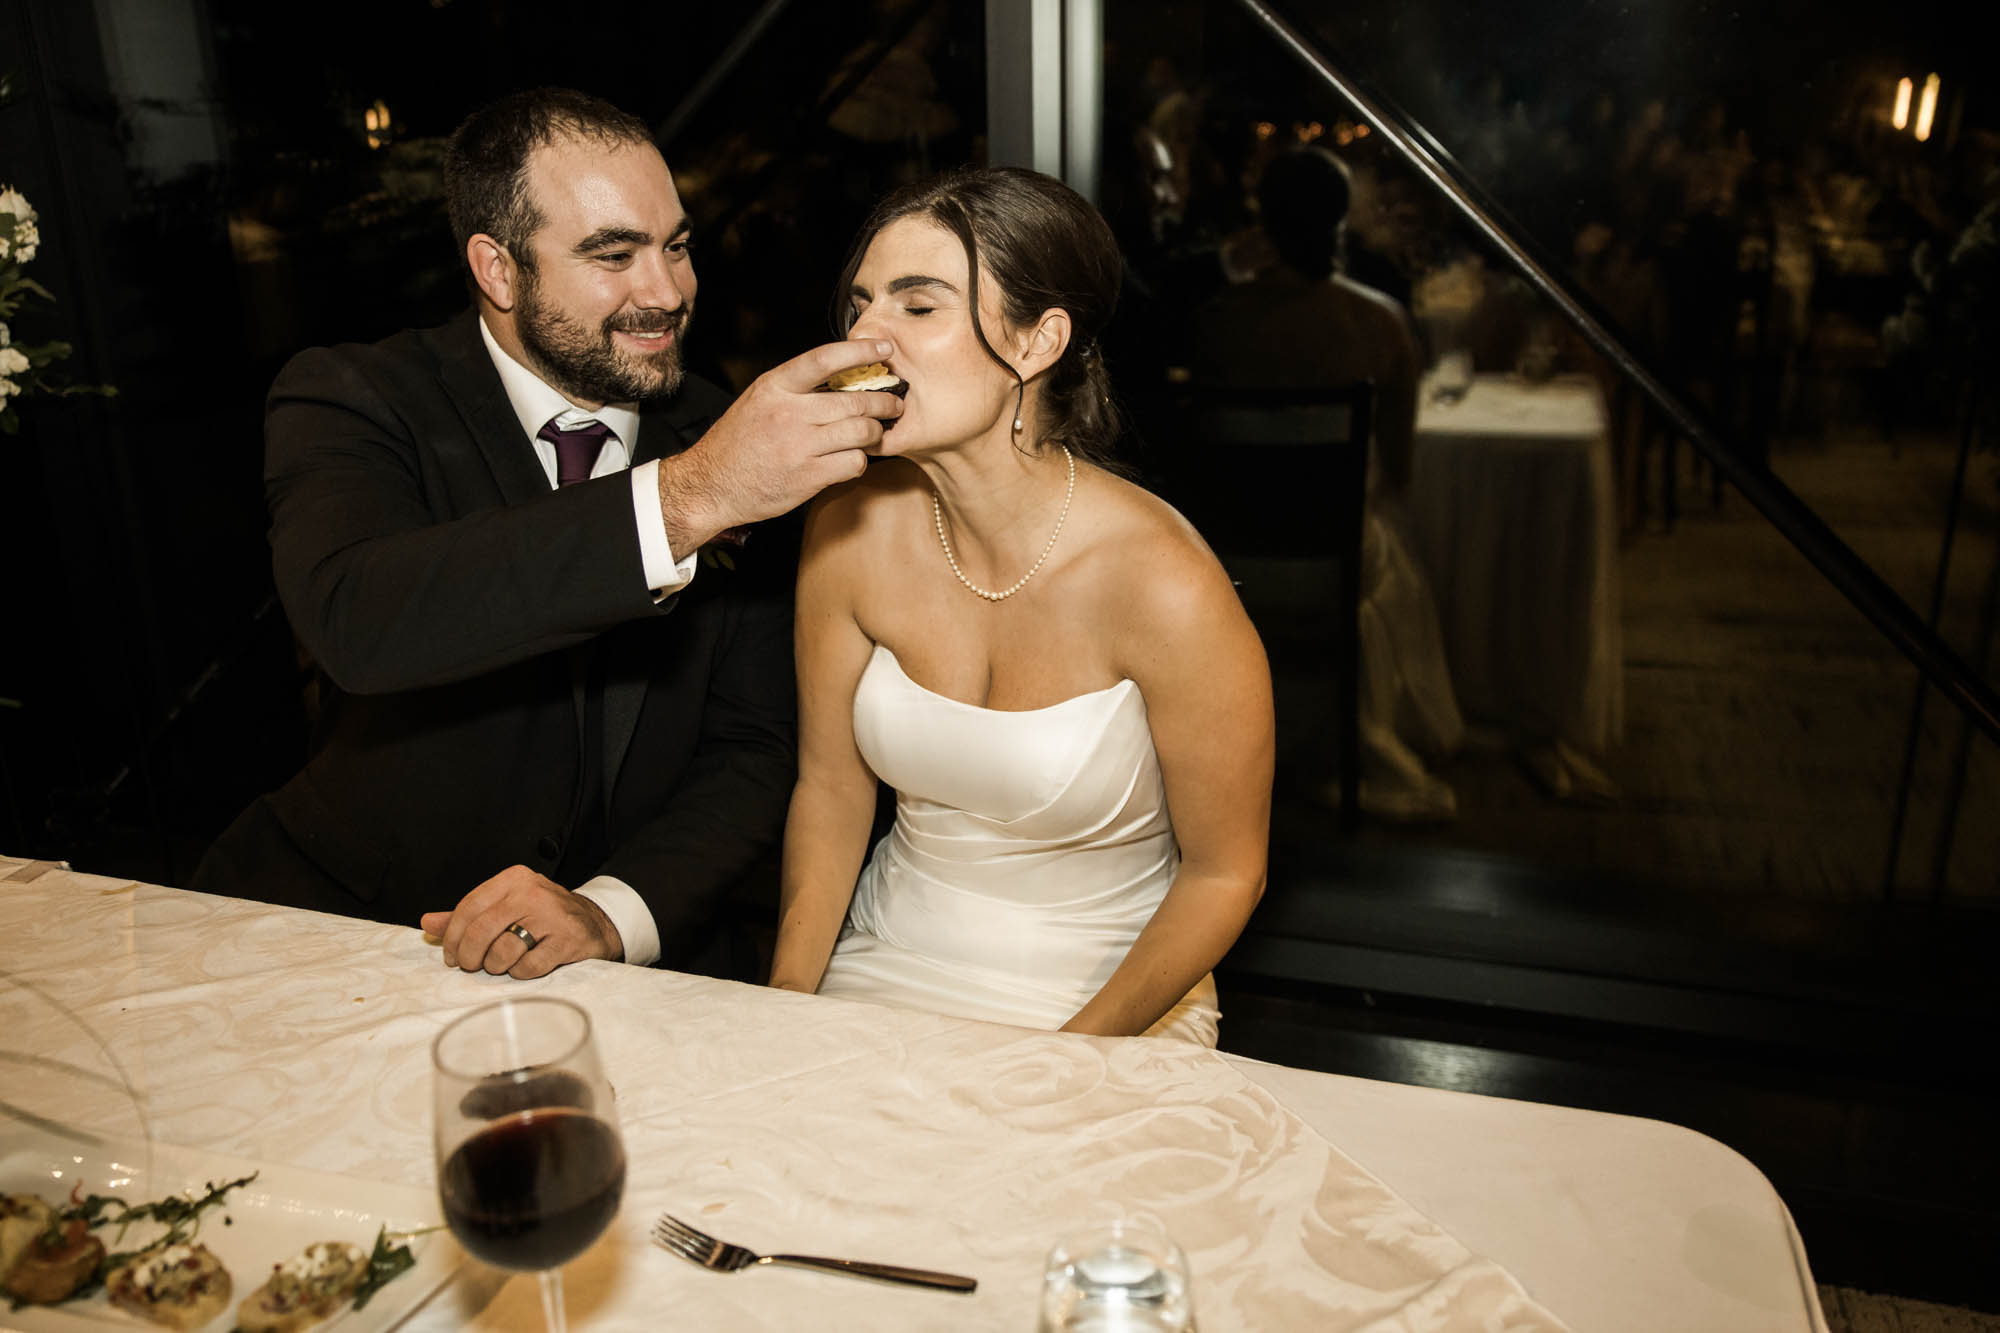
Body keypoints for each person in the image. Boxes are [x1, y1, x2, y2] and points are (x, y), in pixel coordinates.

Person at [192, 88, 907, 980]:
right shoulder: (355, 397)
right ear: (497, 270)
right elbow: (359, 617)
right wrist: (686, 500)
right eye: (614, 254)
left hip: (644, 963)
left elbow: (755, 747)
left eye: (676, 246)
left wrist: (613, 912)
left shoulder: (720, 429)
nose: (667, 291)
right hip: (360, 937)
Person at [765, 167, 1274, 1044]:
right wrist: (781, 1006)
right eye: (861, 304)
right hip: (886, 961)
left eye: (917, 307)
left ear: (1038, 344)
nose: (865, 337)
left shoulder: (1163, 580)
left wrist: (1070, 1057)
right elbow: (832, 789)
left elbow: (1227, 873)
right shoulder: (846, 528)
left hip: (1110, 1002)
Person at [1193, 146, 1463, 821]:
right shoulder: (1380, 323)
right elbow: (1397, 472)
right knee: (1393, 561)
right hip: (1329, 567)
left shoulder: (1215, 319)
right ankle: (1342, 733)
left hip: (1225, 568)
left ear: (1265, 219)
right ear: (1342, 218)